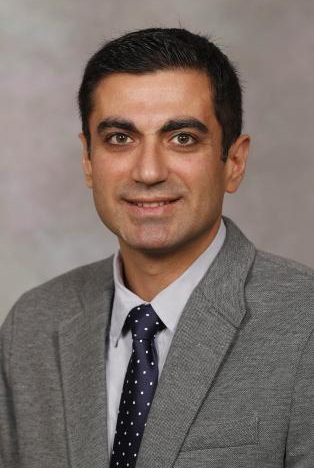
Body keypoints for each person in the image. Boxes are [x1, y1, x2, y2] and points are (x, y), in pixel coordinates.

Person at [1, 27, 314, 468]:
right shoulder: (32, 326)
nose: (148, 171)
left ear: (234, 162)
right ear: (89, 162)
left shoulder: (306, 324)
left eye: (182, 138)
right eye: (119, 138)